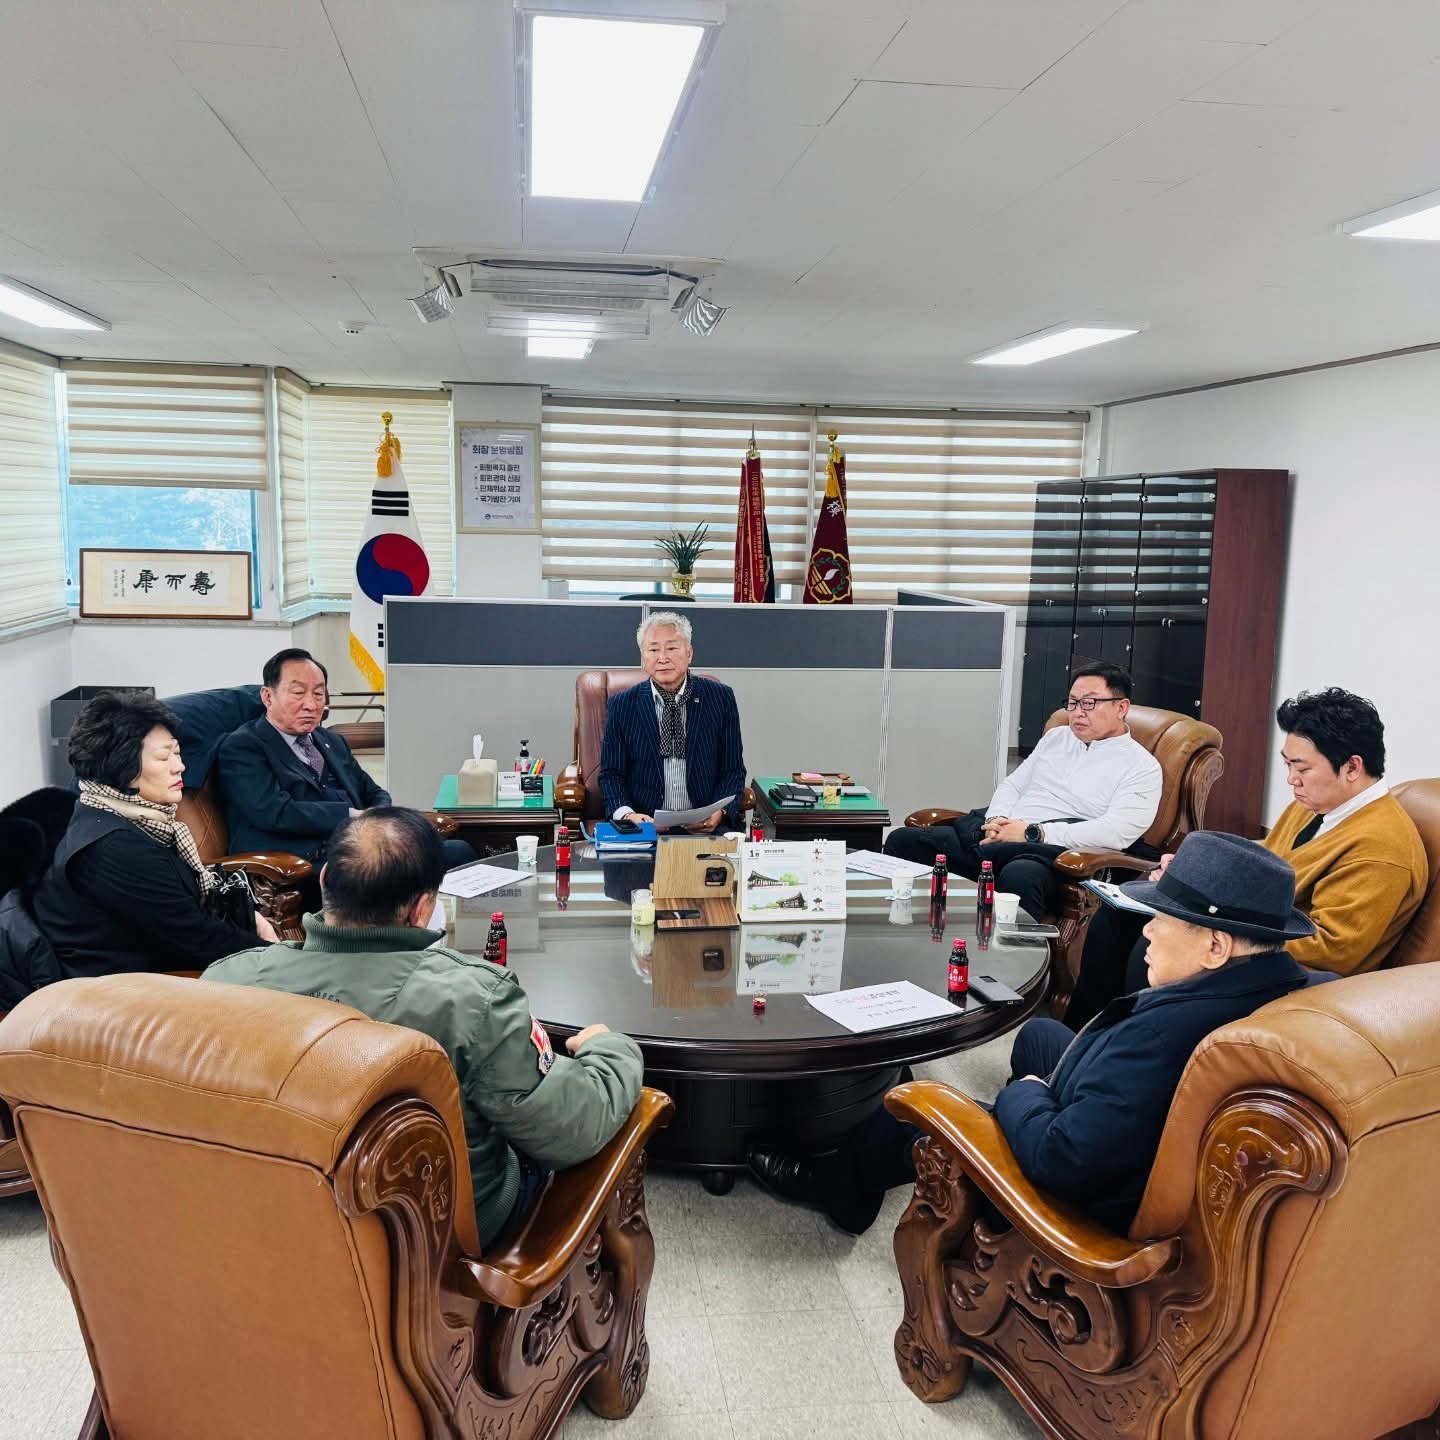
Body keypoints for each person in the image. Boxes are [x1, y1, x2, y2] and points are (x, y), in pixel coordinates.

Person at [749, 831, 1310, 1235]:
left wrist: (1026, 1096)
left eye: (1162, 920)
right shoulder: (1283, 986)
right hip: (1113, 1116)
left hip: (1081, 1180)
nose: (1149, 932)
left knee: (903, 1109)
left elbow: (1061, 1157)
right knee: (1039, 1034)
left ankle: (840, 1193)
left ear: (1215, 945)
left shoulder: (1162, 1039)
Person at [204, 807, 644, 1248]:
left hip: (278, 1230)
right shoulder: (472, 1000)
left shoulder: (227, 982)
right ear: (423, 909)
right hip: (440, 1244)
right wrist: (610, 1051)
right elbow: (572, 1129)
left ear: (323, 882)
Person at [1065, 686, 1428, 1029]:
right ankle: (1083, 1038)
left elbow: (1331, 950)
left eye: (1302, 768)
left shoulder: (1381, 849)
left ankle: (1126, 1049)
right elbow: (1264, 864)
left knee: (1153, 945)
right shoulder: (1321, 804)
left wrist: (1217, 929)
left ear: (1351, 768)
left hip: (1288, 974)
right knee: (1118, 917)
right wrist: (1196, 875)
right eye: (1288, 765)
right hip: (1252, 932)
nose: (1292, 780)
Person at [883, 663, 1163, 922]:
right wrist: (996, 819)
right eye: (1072, 702)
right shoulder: (1057, 737)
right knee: (904, 841)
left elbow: (1115, 833)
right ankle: (910, 932)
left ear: (1121, 707)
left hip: (1054, 853)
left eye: (1089, 703)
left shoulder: (1142, 767)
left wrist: (1033, 833)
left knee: (1020, 876)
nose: (1078, 712)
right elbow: (1014, 785)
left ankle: (1011, 958)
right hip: (1000, 835)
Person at [31, 692, 276, 980]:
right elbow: (198, 938)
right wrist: (278, 956)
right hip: (118, 991)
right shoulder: (115, 847)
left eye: (177, 752)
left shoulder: (115, 813)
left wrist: (251, 918)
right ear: (123, 765)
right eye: (163, 757)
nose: (179, 766)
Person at [216, 647, 473, 870]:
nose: (311, 704)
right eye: (298, 693)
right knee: (429, 862)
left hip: (358, 844)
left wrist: (377, 815)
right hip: (302, 859)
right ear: (268, 697)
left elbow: (371, 790)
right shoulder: (243, 747)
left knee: (459, 851)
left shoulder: (331, 741)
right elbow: (276, 812)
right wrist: (352, 816)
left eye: (318, 694)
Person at [599, 611, 746, 833]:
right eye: (653, 650)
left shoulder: (720, 698)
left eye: (671, 648)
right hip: (645, 826)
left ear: (689, 653)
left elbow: (732, 770)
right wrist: (628, 815)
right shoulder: (622, 705)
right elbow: (611, 774)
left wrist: (720, 812)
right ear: (643, 657)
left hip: (706, 826)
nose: (662, 658)